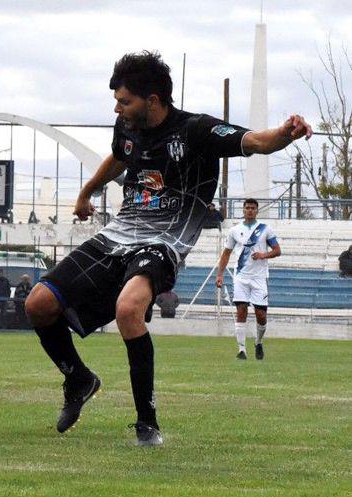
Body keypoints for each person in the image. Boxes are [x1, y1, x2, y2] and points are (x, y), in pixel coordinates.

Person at [23, 51, 312, 447]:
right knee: (38, 303)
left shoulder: (195, 130)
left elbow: (255, 141)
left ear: (153, 100)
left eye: (125, 101)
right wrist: (87, 190)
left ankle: (147, 424)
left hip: (165, 241)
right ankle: (79, 379)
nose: (117, 108)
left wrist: (285, 133)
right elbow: (120, 158)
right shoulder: (127, 127)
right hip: (120, 234)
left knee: (128, 309)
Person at [215, 199, 281, 361]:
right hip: (241, 277)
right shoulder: (235, 230)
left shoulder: (265, 229)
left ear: (257, 211)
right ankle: (242, 350)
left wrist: (263, 255)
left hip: (259, 277)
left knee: (261, 315)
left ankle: (258, 342)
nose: (250, 210)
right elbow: (226, 253)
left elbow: (277, 250)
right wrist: (220, 274)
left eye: (253, 208)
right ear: (243, 210)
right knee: (241, 311)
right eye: (247, 208)